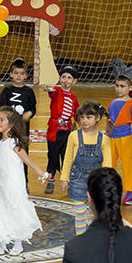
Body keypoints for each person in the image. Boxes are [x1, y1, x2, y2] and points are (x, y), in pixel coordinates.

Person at [0, 106, 49, 256]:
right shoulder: (1, 143)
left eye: (2, 120)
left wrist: (42, 174)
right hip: (4, 185)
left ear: (11, 124)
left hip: (15, 183)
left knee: (16, 210)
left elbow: (28, 161)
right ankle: (3, 241)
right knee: (3, 209)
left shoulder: (14, 143)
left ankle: (17, 243)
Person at [61, 101, 111, 235]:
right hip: (77, 179)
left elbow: (107, 165)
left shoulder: (104, 139)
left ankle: (94, 238)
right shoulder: (73, 136)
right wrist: (64, 179)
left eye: (89, 117)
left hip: (96, 182)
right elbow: (68, 159)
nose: (84, 121)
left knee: (95, 213)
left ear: (98, 118)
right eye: (82, 117)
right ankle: (81, 240)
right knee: (80, 213)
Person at [106, 59, 132, 205]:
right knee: (109, 163)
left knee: (128, 164)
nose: (118, 89)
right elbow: (109, 120)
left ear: (130, 87)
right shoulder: (112, 102)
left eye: (122, 86)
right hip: (111, 138)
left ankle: (131, 192)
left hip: (125, 138)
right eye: (117, 86)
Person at [0, 58, 37, 185]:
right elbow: (0, 107)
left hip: (22, 129)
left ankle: (24, 181)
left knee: (22, 153)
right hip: (7, 130)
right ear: (11, 74)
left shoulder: (29, 91)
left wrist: (29, 113)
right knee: (6, 154)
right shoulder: (6, 91)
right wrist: (8, 116)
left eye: (21, 73)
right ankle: (6, 180)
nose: (19, 76)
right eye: (16, 73)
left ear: (26, 75)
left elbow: (33, 108)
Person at [44, 65, 79, 194]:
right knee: (52, 156)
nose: (66, 80)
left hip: (67, 132)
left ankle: (67, 181)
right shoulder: (57, 91)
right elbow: (52, 93)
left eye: (69, 78)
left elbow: (77, 111)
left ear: (74, 81)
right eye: (63, 77)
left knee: (66, 156)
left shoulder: (73, 96)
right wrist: (50, 90)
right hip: (54, 131)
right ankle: (50, 180)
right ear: (59, 79)